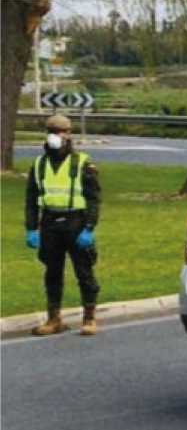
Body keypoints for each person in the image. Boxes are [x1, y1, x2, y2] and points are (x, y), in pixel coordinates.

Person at [25, 114, 101, 336]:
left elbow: (94, 198)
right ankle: (54, 318)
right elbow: (31, 200)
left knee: (84, 271)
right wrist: (31, 228)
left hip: (75, 221)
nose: (56, 137)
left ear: (68, 134)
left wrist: (89, 227)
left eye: (60, 132)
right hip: (50, 222)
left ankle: (89, 317)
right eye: (52, 132)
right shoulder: (39, 164)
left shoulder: (82, 163)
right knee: (52, 272)